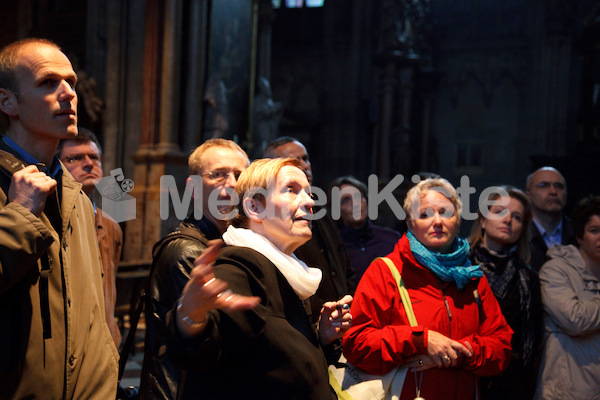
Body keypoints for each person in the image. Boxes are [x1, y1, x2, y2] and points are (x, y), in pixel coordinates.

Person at [166, 158, 352, 399]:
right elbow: (201, 355)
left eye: (308, 192)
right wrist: (190, 317)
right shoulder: (239, 269)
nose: (309, 201)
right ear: (255, 207)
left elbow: (275, 366)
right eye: (291, 190)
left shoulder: (288, 272)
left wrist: (321, 339)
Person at [0, 38, 117, 398]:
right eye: (48, 82)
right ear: (8, 101)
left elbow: (93, 308)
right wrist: (18, 215)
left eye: (71, 83)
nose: (68, 93)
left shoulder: (78, 198)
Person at [343, 178, 513, 400]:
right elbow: (357, 344)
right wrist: (420, 340)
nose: (437, 221)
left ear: (458, 220)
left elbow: (502, 347)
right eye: (425, 214)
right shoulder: (386, 271)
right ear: (410, 222)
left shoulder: (471, 278)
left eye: (446, 212)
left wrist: (455, 354)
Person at [139, 138, 250, 399]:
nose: (232, 184)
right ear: (193, 188)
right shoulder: (187, 252)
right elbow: (213, 343)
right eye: (218, 175)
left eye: (239, 175)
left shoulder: (233, 241)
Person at [468, 186, 543, 400]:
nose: (508, 219)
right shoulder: (459, 266)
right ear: (482, 220)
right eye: (500, 211)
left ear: (522, 228)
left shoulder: (528, 278)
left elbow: (532, 340)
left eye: (517, 217)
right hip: (464, 375)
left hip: (511, 383)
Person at [263, 137, 356, 304]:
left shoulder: (323, 211)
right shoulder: (273, 220)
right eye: (293, 161)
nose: (304, 166)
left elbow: (343, 266)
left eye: (305, 158)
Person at [57, 128, 123, 348]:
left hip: (104, 345)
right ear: (58, 165)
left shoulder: (112, 227)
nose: (88, 163)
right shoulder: (51, 220)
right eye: (74, 158)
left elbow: (108, 292)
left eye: (94, 157)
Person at [534, 196, 600, 400]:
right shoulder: (556, 269)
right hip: (566, 391)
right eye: (594, 230)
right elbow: (576, 319)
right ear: (579, 236)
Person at [328, 175, 400, 284]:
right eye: (346, 200)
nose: (356, 204)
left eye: (359, 197)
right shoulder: (334, 247)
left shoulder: (392, 239)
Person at [526, 166, 575, 271]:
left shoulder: (579, 233)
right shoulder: (519, 234)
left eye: (559, 186)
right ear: (528, 195)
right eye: (543, 185)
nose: (553, 191)